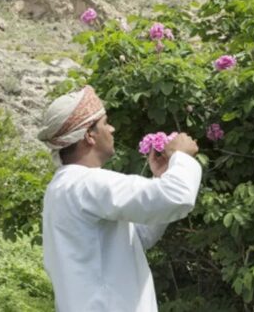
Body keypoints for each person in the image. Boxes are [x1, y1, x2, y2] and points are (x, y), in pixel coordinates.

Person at [38, 86, 202, 312]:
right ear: (89, 135)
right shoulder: (87, 183)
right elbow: (177, 196)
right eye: (105, 123)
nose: (112, 129)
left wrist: (160, 178)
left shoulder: (62, 187)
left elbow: (137, 237)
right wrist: (180, 156)